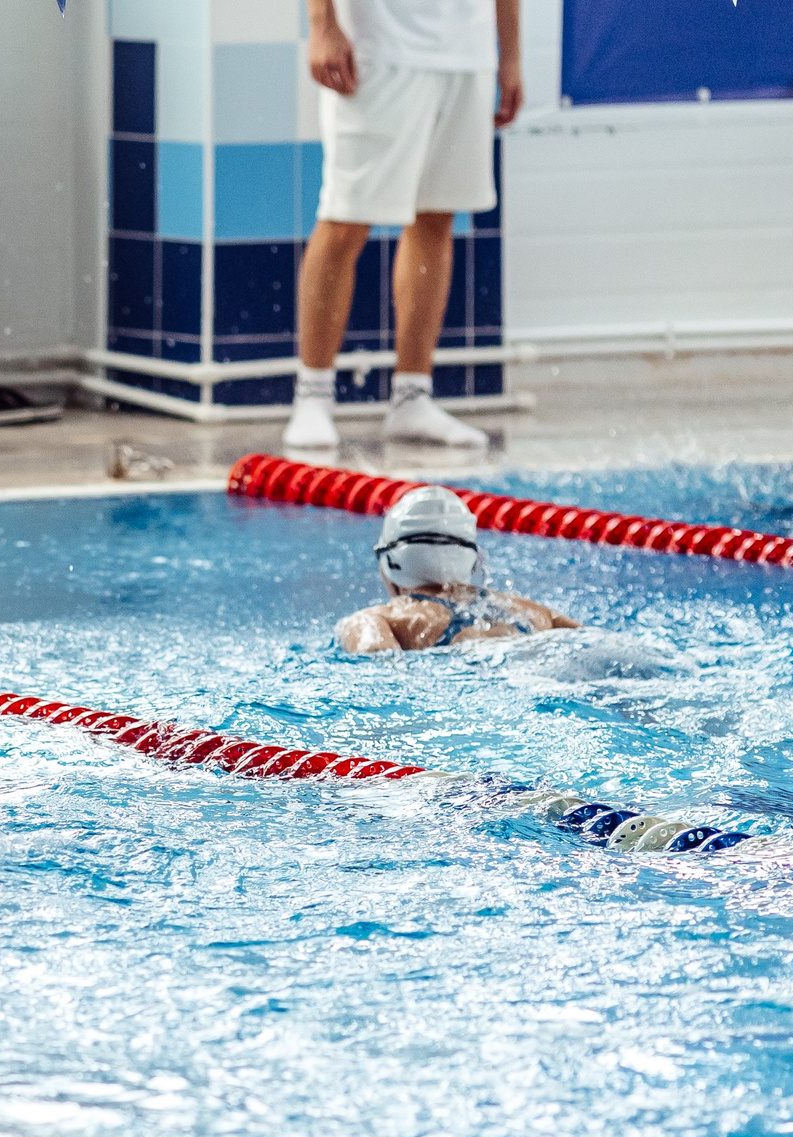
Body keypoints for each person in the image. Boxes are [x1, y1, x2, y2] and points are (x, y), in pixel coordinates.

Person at [282, 0, 523, 452]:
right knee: (345, 218)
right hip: (378, 49)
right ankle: (312, 395)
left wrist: (510, 56)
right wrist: (322, 25)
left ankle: (412, 394)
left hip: (465, 52)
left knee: (436, 218)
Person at [336, 486, 575, 653]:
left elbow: (376, 670)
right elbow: (589, 639)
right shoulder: (530, 611)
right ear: (473, 560)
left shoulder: (376, 620)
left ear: (389, 564)